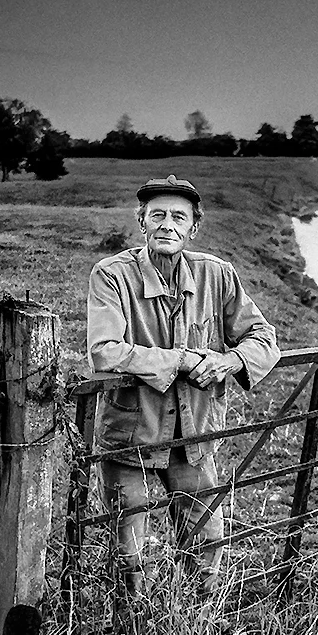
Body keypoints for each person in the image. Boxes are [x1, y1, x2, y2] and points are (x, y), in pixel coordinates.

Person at [86, 175, 279, 595]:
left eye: (178, 217)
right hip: (132, 430)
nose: (167, 225)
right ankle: (132, 624)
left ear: (194, 228)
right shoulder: (112, 274)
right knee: (129, 543)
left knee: (207, 535)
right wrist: (185, 360)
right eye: (157, 215)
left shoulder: (217, 275)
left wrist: (230, 359)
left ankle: (195, 617)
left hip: (194, 431)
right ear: (142, 223)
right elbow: (105, 350)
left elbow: (263, 337)